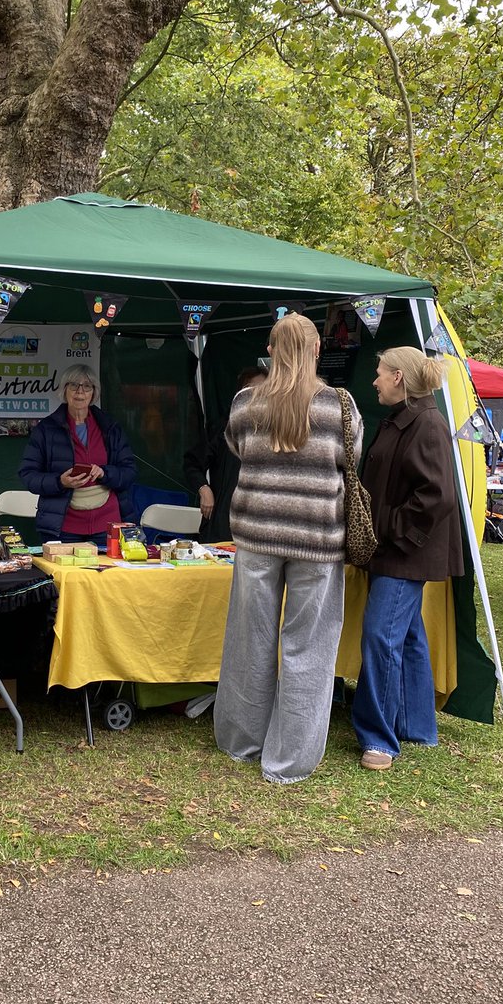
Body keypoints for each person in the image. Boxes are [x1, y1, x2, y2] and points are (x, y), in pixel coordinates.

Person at [213, 313, 362, 785]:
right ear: (317, 350)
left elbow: (237, 448)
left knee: (249, 639)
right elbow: (352, 457)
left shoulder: (245, 403)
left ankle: (242, 742)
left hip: (258, 534)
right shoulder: (340, 406)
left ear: (271, 351)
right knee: (309, 647)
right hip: (317, 539)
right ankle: (289, 760)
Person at [351, 348, 463, 772]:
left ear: (398, 377)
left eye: (380, 373)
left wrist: (389, 529)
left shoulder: (426, 424)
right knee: (409, 636)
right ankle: (417, 726)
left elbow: (437, 496)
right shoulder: (404, 418)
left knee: (381, 636)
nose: (375, 381)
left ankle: (379, 740)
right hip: (396, 550)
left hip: (404, 554)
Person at [19, 364, 136, 544]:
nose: (80, 391)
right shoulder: (46, 429)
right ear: (64, 390)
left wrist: (105, 473)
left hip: (107, 523)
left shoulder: (110, 427)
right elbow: (28, 475)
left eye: (87, 386)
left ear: (93, 393)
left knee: (108, 564)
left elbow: (129, 472)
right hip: (63, 526)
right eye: (74, 385)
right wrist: (60, 481)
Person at [183, 366, 268, 542]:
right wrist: (204, 489)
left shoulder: (278, 432)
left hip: (261, 526)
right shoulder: (223, 427)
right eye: (252, 390)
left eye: (265, 391)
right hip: (222, 526)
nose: (258, 396)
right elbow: (192, 463)